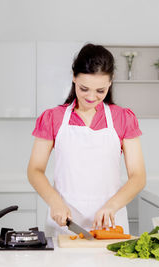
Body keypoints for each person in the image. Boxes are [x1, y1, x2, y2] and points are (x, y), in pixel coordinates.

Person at [27, 43, 146, 237]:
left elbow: (138, 176)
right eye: (84, 89)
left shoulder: (123, 118)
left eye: (100, 91)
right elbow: (35, 170)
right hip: (66, 224)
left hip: (110, 223)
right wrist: (55, 202)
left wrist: (112, 206)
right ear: (74, 77)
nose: (91, 97)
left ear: (111, 82)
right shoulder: (52, 118)